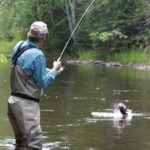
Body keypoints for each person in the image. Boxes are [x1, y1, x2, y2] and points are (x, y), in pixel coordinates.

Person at [7, 21, 62, 150]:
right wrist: (55, 70)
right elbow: (43, 82)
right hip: (27, 107)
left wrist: (48, 70)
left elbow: (25, 69)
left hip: (13, 103)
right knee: (34, 145)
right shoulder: (38, 55)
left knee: (20, 143)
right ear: (43, 37)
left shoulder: (19, 46)